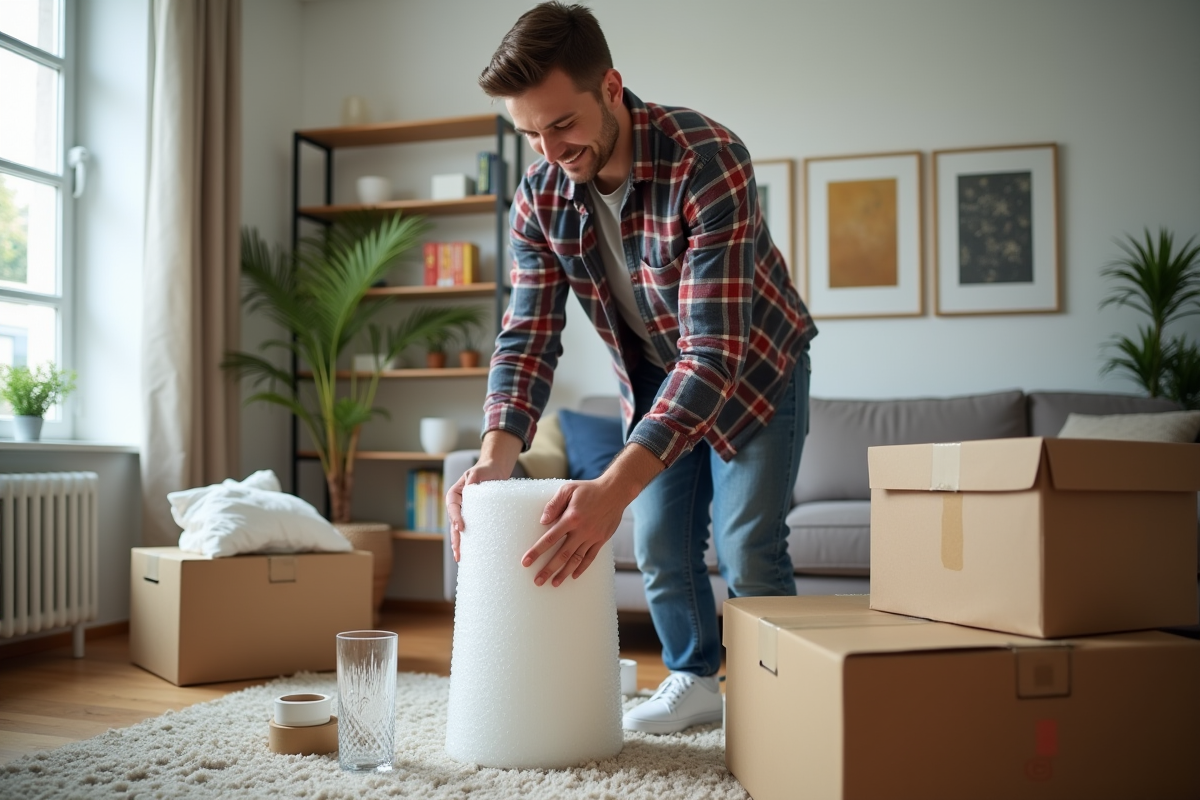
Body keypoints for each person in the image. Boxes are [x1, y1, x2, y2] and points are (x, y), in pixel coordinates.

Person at [446, 1, 817, 735]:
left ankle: (784, 702)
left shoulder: (706, 158)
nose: (551, 150)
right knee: (656, 541)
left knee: (747, 542)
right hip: (651, 369)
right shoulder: (540, 196)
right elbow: (527, 337)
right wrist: (495, 458)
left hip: (754, 366)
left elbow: (712, 353)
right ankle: (693, 679)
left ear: (611, 87)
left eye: (563, 124)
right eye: (530, 133)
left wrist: (611, 487)